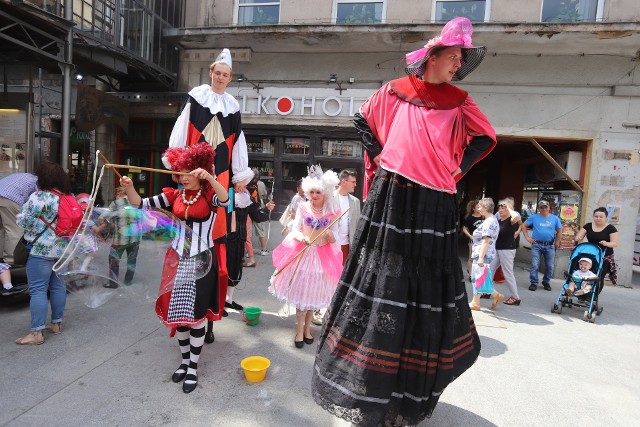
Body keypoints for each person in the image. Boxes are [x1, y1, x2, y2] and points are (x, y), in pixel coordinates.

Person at [312, 17, 496, 425]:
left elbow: (485, 138)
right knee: (381, 285)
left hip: (435, 201)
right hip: (392, 195)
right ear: (434, 56)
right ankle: (370, 391)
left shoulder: (461, 101)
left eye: (461, 60)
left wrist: (457, 168)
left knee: (422, 292)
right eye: (453, 58)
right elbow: (362, 120)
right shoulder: (392, 91)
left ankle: (409, 399)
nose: (457, 66)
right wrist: (378, 155)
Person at [120, 143, 230, 394]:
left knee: (195, 315)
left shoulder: (208, 194)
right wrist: (129, 188)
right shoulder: (173, 195)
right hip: (177, 258)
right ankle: (184, 362)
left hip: (203, 259)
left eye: (188, 172)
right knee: (177, 313)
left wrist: (210, 178)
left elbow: (225, 199)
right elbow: (140, 204)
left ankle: (193, 367)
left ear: (201, 170)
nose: (183, 178)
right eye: (180, 172)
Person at [163, 48, 253, 339]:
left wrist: (239, 175)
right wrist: (177, 163)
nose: (222, 78)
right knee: (186, 252)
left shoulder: (232, 106)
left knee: (216, 255)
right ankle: (183, 317)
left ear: (230, 78)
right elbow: (180, 131)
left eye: (226, 75)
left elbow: (237, 141)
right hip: (190, 178)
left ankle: (208, 319)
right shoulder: (196, 97)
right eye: (218, 73)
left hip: (219, 181)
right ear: (211, 72)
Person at [269, 166, 342, 349]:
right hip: (302, 255)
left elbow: (335, 235)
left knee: (311, 296)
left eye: (318, 192)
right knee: (302, 296)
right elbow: (295, 229)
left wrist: (330, 237)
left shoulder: (331, 213)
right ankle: (299, 330)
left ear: (325, 192)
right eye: (311, 191)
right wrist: (301, 236)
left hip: (320, 257)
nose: (315, 195)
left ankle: (308, 329)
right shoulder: (303, 207)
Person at [202, 188, 275, 343]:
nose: (242, 185)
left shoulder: (246, 196)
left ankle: (229, 300)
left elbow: (257, 216)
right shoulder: (223, 193)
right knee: (222, 271)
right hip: (223, 238)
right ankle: (219, 303)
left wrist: (266, 209)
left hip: (239, 239)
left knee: (235, 270)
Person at [15, 161, 73, 345]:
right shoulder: (67, 197)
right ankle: (56, 323)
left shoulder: (39, 197)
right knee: (58, 286)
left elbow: (24, 222)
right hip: (62, 250)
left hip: (41, 249)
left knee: (38, 290)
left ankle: (37, 333)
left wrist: (21, 215)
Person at [311, 169, 361, 326]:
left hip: (347, 246)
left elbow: (357, 225)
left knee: (341, 279)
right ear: (344, 182)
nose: (355, 185)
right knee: (323, 278)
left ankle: (334, 310)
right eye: (353, 182)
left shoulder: (355, 201)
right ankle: (316, 310)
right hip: (329, 246)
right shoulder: (329, 198)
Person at [469, 198, 504, 310]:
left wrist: (480, 257)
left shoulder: (489, 222)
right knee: (481, 278)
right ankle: (490, 297)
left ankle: (476, 302)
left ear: (485, 208)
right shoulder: (491, 220)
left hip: (483, 253)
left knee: (478, 277)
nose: (478, 209)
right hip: (484, 253)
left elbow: (486, 240)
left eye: (479, 207)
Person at [521, 199, 562, 291]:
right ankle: (534, 282)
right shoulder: (534, 217)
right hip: (537, 244)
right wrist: (527, 237)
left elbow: (559, 230)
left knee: (550, 265)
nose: (544, 209)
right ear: (539, 209)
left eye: (545, 207)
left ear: (549, 208)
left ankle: (546, 281)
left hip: (550, 245)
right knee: (535, 264)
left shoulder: (555, 218)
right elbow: (524, 225)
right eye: (541, 207)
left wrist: (557, 242)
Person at [573, 206, 618, 287]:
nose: (598, 218)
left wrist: (606, 243)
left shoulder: (611, 228)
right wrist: (577, 238)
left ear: (606, 217)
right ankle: (583, 292)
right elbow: (579, 236)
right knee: (586, 274)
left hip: (604, 255)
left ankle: (594, 297)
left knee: (599, 277)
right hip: (591, 254)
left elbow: (615, 243)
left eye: (601, 217)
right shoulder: (588, 226)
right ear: (593, 216)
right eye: (596, 216)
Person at [105, 187, 141, 287]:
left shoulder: (116, 204)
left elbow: (105, 217)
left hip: (120, 239)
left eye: (116, 195)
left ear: (119, 194)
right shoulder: (136, 202)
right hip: (135, 238)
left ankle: (113, 283)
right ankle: (128, 281)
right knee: (132, 260)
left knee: (113, 259)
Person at [490, 197, 523, 306]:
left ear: (508, 210)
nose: (500, 209)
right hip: (498, 248)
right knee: (489, 270)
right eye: (499, 207)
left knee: (507, 273)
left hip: (507, 249)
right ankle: (487, 290)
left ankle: (515, 297)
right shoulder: (499, 219)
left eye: (503, 208)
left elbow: (517, 217)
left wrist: (508, 207)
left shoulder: (512, 220)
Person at [0, 172, 38, 264]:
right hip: (9, 198)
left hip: (3, 195)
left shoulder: (21, 175)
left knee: (2, 229)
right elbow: (37, 199)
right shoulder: (37, 181)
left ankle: (1, 257)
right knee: (14, 230)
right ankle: (11, 260)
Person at [246, 168, 270, 256]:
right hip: (257, 209)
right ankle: (263, 250)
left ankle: (249, 251)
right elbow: (264, 195)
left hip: (247, 210)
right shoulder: (261, 184)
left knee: (248, 232)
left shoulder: (245, 184)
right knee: (261, 230)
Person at [462, 198, 482, 279]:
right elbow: (464, 229)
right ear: (473, 208)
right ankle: (470, 275)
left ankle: (477, 273)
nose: (480, 208)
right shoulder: (470, 218)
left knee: (480, 258)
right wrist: (470, 236)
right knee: (471, 258)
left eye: (480, 206)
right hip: (473, 241)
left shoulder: (484, 216)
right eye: (478, 207)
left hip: (483, 241)